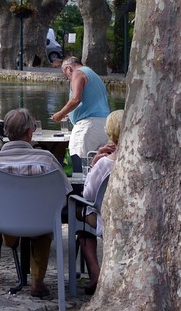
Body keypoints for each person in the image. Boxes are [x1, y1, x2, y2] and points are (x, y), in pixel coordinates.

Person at [0, 108, 63, 299]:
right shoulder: (46, 160)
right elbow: (63, 191)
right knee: (45, 224)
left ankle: (10, 238)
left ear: (6, 132)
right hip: (38, 222)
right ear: (29, 133)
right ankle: (37, 281)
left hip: (4, 221)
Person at [75, 109, 124, 293]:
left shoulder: (104, 163)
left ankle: (95, 274)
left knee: (81, 218)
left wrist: (93, 164)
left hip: (106, 217)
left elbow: (88, 195)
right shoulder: (139, 161)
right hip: (132, 216)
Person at [50, 56, 111, 168]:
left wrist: (60, 114)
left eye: (66, 75)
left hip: (88, 127)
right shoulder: (92, 74)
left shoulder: (77, 73)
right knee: (94, 165)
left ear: (68, 68)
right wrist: (71, 114)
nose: (68, 78)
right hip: (103, 125)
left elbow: (75, 99)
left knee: (77, 164)